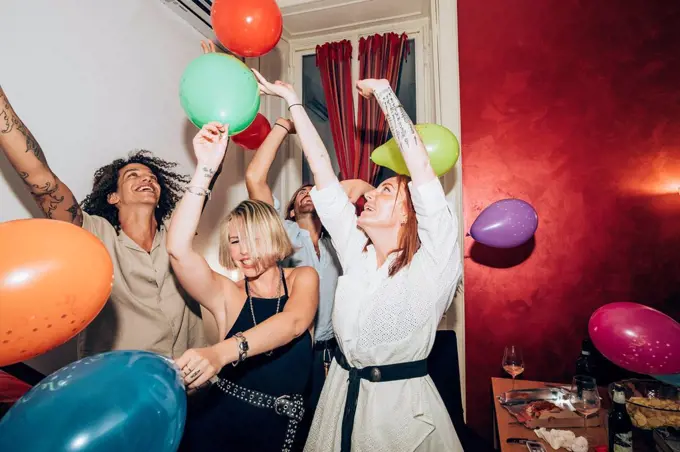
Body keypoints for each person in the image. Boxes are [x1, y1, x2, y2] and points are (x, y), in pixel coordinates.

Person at [253, 70, 464, 451]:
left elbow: (420, 168)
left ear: (410, 211)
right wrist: (292, 100)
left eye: (385, 190)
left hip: (400, 415)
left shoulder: (433, 264)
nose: (368, 195)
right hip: (338, 399)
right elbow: (321, 172)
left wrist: (385, 95)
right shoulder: (357, 255)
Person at [0, 85, 209, 359]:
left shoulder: (176, 232)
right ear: (112, 197)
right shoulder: (93, 236)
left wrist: (213, 114)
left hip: (194, 386)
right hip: (121, 388)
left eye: (152, 177)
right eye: (133, 175)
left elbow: (206, 179)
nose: (147, 179)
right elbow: (44, 185)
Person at [167, 122, 319, 451]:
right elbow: (178, 249)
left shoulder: (303, 278)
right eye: (235, 241)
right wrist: (204, 171)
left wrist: (219, 353)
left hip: (285, 433)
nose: (243, 251)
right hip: (220, 428)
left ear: (278, 242)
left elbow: (292, 324)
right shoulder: (227, 294)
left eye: (253, 239)